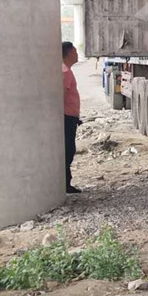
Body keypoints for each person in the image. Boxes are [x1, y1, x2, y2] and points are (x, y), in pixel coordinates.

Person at [62, 41, 81, 194]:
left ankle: (66, 184)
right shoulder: (65, 72)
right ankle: (65, 184)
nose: (77, 53)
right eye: (75, 51)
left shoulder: (65, 69)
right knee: (68, 150)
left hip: (69, 116)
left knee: (68, 149)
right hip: (66, 117)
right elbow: (62, 93)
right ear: (68, 53)